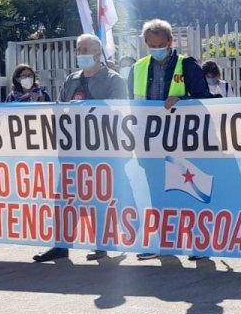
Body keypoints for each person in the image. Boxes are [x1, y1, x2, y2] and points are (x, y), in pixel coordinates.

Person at [32, 34, 128, 263]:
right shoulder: (72, 79)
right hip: (72, 151)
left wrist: (87, 108)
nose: (80, 54)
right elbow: (61, 108)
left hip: (101, 151)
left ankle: (103, 244)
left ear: (97, 52)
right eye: (78, 50)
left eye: (85, 50)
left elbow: (119, 111)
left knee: (100, 199)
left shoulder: (113, 80)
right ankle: (61, 245)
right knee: (65, 199)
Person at [127, 20, 212, 261]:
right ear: (145, 44)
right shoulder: (138, 68)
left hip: (182, 142)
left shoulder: (187, 66)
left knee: (188, 192)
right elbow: (131, 105)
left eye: (160, 45)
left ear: (170, 41)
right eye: (151, 45)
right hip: (150, 142)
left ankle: (199, 243)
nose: (157, 49)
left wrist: (182, 100)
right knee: (157, 194)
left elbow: (205, 100)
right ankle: (165, 243)